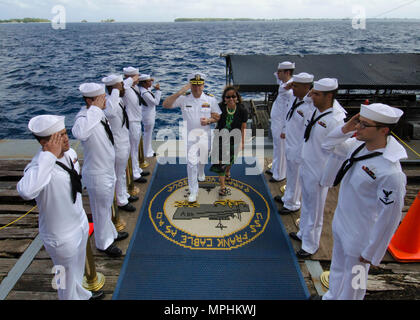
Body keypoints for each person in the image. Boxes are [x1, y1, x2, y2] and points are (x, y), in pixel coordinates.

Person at [321, 103, 406, 300]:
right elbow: (328, 144)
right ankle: (332, 296)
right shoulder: (358, 146)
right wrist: (347, 127)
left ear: (383, 130)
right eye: (358, 122)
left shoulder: (391, 172)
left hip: (361, 237)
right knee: (337, 269)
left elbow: (390, 217)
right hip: (342, 224)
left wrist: (372, 251)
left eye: (364, 125)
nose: (358, 128)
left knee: (355, 286)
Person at [17, 115, 102, 300]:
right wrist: (49, 156)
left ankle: (81, 295)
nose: (65, 139)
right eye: (59, 137)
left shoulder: (70, 154)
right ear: (44, 142)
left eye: (64, 133)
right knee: (63, 280)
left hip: (78, 224)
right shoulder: (39, 167)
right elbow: (25, 191)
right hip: (60, 237)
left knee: (77, 270)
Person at [291, 78, 347, 259]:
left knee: (315, 210)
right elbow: (306, 99)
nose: (311, 96)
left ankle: (310, 245)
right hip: (307, 164)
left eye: (316, 94)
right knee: (306, 204)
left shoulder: (336, 120)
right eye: (312, 92)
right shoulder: (315, 109)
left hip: (319, 170)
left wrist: (328, 178)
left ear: (329, 96)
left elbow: (341, 152)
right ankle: (303, 234)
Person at [72, 83, 128, 258]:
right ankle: (103, 243)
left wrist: (97, 108)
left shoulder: (98, 115)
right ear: (91, 100)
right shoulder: (84, 117)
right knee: (100, 209)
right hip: (97, 173)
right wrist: (95, 108)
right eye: (102, 98)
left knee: (106, 206)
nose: (105, 100)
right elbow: (79, 133)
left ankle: (110, 233)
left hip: (106, 169)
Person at [163, 72, 221, 203]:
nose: (197, 88)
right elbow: (165, 105)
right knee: (191, 164)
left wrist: (210, 120)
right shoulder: (184, 99)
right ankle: (193, 191)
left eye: (199, 85)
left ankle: (201, 172)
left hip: (205, 135)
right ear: (190, 85)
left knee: (203, 158)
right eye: (194, 85)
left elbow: (218, 116)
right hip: (190, 137)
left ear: (203, 85)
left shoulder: (210, 99)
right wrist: (180, 92)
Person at [275, 73, 314, 215]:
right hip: (290, 143)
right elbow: (282, 92)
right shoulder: (295, 97)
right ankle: (287, 197)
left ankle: (292, 204)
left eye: (296, 86)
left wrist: (301, 151)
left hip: (299, 147)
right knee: (291, 174)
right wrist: (290, 85)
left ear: (306, 87)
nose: (293, 88)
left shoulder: (310, 106)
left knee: (296, 176)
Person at [102, 74, 139, 212]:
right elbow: (110, 113)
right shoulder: (110, 103)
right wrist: (117, 89)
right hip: (118, 143)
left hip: (124, 140)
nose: (124, 87)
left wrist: (128, 81)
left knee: (122, 172)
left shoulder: (117, 100)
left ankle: (123, 195)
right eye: (121, 86)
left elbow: (127, 85)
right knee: (118, 173)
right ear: (115, 88)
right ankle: (121, 201)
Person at [210, 86, 248, 196]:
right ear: (224, 98)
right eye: (228, 97)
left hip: (234, 139)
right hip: (220, 139)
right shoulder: (220, 107)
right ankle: (222, 186)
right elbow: (213, 117)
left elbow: (243, 127)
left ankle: (227, 171)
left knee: (231, 160)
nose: (231, 99)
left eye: (233, 96)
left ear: (237, 98)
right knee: (221, 162)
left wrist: (242, 142)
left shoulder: (242, 110)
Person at [266, 61, 295, 183]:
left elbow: (290, 112)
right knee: (277, 147)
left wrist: (285, 129)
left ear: (287, 72)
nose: (277, 74)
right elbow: (279, 79)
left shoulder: (290, 91)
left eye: (280, 72)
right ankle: (275, 169)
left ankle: (280, 175)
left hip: (282, 124)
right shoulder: (284, 83)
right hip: (276, 122)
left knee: (281, 149)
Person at [122, 66, 149, 183]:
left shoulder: (134, 88)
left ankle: (137, 168)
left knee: (136, 148)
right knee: (132, 149)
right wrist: (130, 79)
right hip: (131, 122)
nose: (139, 78)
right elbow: (122, 85)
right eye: (137, 76)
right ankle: (135, 174)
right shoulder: (126, 88)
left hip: (137, 121)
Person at [138, 74, 162, 158]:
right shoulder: (145, 93)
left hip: (148, 114)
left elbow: (149, 88)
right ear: (143, 83)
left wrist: (150, 80)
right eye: (148, 81)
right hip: (148, 116)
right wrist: (158, 91)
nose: (151, 82)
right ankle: (147, 153)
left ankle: (149, 150)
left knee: (148, 134)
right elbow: (156, 102)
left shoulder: (143, 89)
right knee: (147, 134)